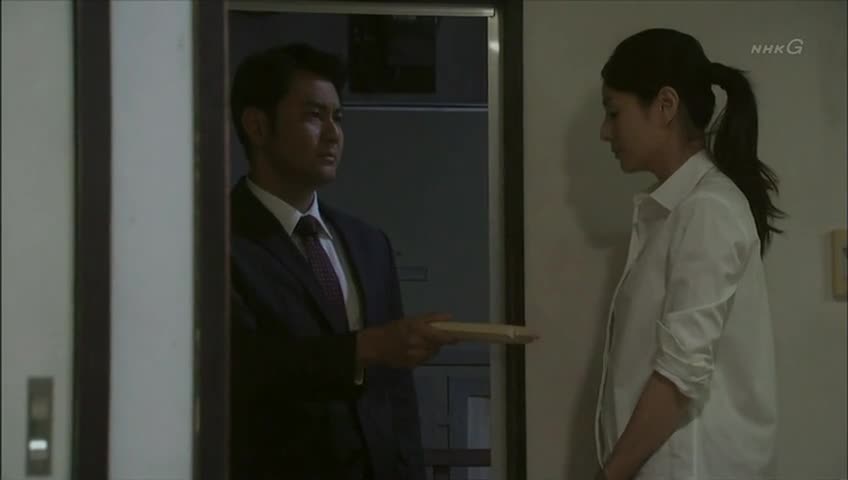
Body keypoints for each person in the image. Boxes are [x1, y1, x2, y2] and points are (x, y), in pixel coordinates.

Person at [228, 43, 458, 480]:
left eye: (339, 117)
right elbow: (242, 369)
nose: (333, 134)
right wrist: (363, 348)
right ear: (257, 126)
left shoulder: (368, 243)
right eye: (314, 116)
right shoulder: (217, 241)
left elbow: (396, 394)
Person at [594, 28, 785, 480]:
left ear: (665, 105)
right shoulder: (678, 209)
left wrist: (609, 475)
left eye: (614, 112)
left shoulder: (707, 209)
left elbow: (680, 377)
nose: (604, 132)